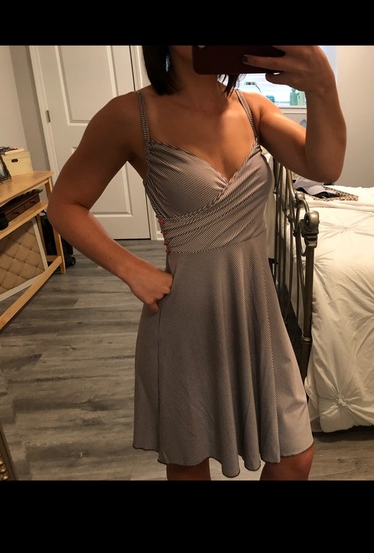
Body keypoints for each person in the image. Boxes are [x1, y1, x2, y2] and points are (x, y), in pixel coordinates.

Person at [47, 45, 347, 481]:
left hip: (257, 310)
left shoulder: (253, 109)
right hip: (186, 316)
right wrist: (131, 268)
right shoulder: (129, 115)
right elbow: (64, 205)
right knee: (190, 462)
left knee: (294, 457)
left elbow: (326, 167)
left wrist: (323, 87)